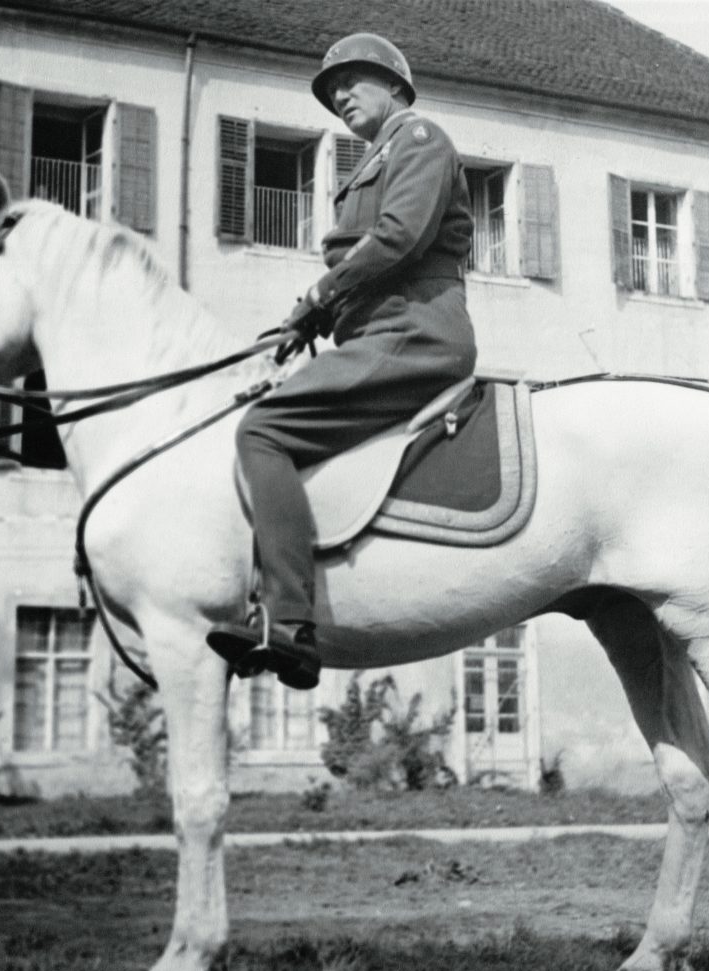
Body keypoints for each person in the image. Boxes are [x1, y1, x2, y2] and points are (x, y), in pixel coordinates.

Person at [207, 33, 477, 689]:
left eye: (352, 80)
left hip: (413, 331)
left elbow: (398, 238)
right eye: (333, 90)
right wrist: (314, 320)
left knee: (262, 430)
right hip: (374, 333)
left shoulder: (419, 140)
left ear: (394, 84)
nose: (340, 95)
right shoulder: (372, 159)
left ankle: (289, 623)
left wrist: (317, 297)